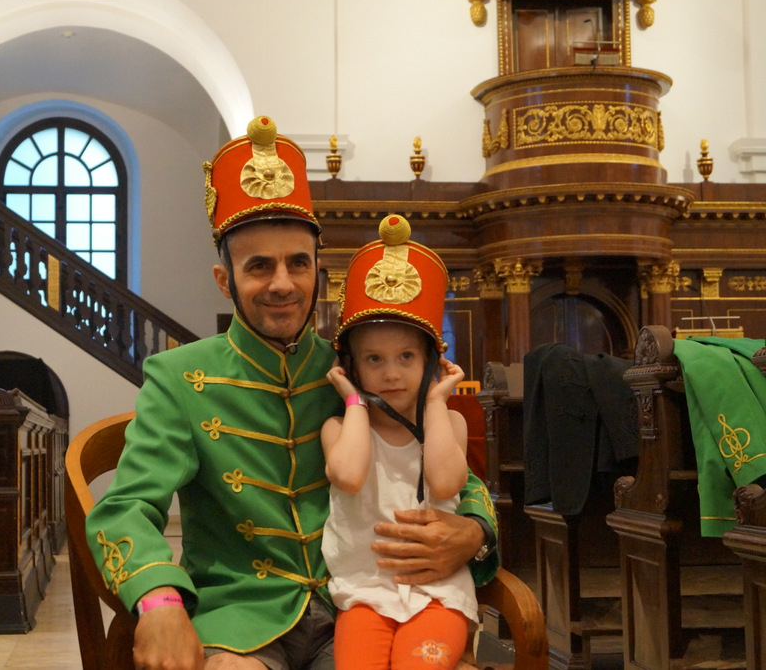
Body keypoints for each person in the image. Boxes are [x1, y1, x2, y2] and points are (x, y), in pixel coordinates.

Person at [85, 116, 498, 670]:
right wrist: (159, 601)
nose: (282, 283)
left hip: (356, 606)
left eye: (297, 263)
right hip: (240, 621)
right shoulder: (179, 377)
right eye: (259, 266)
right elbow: (125, 508)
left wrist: (473, 533)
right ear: (225, 280)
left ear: (317, 274)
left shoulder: (357, 371)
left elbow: (452, 474)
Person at [321, 215, 476, 669]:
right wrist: (354, 399)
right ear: (351, 366)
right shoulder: (338, 428)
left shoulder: (449, 422)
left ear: (430, 362)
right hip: (363, 594)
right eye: (374, 359)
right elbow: (349, 476)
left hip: (438, 593)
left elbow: (445, 483)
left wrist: (436, 401)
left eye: (406, 356)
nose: (391, 373)